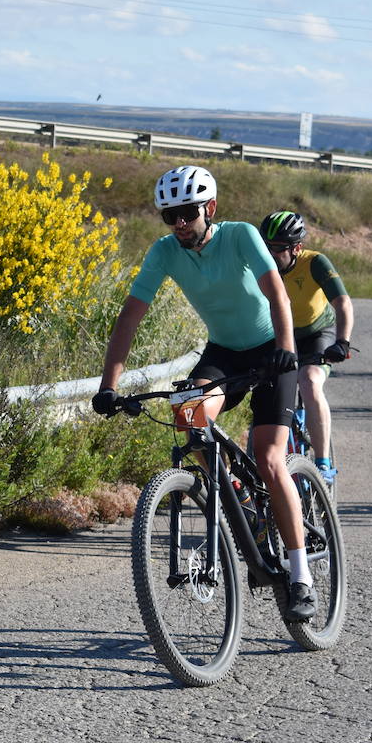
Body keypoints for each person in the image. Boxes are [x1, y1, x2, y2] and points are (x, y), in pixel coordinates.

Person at [91, 165, 317, 622]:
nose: (179, 223)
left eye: (187, 213)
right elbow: (129, 318)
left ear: (209, 209)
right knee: (187, 414)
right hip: (223, 353)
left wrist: (286, 350)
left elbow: (278, 296)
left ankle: (299, 579)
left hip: (271, 350)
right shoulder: (164, 253)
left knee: (271, 459)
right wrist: (108, 387)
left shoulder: (241, 236)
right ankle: (239, 493)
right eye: (169, 215)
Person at [258, 211, 354, 484]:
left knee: (310, 381)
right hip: (277, 334)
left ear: (296, 247)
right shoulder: (259, 266)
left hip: (316, 333)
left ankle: (323, 463)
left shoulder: (315, 263)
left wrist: (342, 342)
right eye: (265, 246)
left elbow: (343, 303)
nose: (270, 254)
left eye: (277, 249)